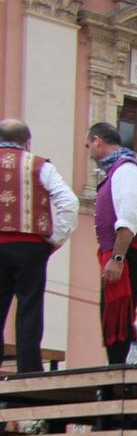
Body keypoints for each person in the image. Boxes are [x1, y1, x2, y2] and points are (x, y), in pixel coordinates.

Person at [84, 122, 137, 366]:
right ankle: (122, 373)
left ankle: (121, 377)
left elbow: (129, 216)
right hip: (127, 254)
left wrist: (117, 258)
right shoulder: (121, 169)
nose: (88, 151)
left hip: (130, 255)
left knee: (118, 317)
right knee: (117, 317)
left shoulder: (126, 170)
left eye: (88, 145)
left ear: (98, 141)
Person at [0, 119, 77, 374]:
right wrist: (56, 239)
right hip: (31, 246)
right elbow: (69, 203)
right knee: (29, 307)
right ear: (27, 142)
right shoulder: (40, 166)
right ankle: (29, 371)